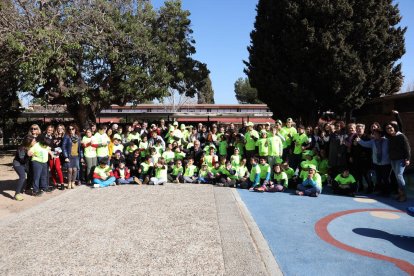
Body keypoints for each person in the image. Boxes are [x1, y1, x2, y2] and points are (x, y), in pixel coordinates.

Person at [356, 128, 391, 196]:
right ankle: (381, 191)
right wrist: (359, 140)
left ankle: (387, 192)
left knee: (386, 178)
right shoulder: (373, 141)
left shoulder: (387, 141)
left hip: (386, 163)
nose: (373, 135)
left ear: (380, 134)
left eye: (375, 134)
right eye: (373, 134)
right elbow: (365, 144)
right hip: (377, 163)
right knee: (379, 178)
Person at [385, 122, 411, 202]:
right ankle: (400, 193)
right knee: (397, 176)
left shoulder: (401, 136)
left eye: (390, 127)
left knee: (399, 175)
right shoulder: (390, 137)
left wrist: (408, 158)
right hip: (393, 159)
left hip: (401, 159)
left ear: (394, 127)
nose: (389, 129)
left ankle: (403, 195)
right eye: (387, 129)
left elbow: (407, 148)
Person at [13, 135, 35, 201]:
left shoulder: (30, 147)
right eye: (33, 141)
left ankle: (27, 189)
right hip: (18, 164)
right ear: (29, 142)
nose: (35, 141)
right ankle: (16, 194)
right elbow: (21, 160)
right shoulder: (21, 148)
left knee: (31, 174)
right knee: (22, 177)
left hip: (24, 164)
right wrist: (27, 155)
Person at [62, 124, 83, 189]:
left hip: (76, 156)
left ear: (75, 129)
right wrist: (66, 157)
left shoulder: (78, 137)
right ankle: (69, 182)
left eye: (72, 129)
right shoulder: (67, 137)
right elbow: (63, 147)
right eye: (70, 129)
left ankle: (73, 182)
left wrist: (81, 157)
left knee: (75, 170)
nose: (71, 130)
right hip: (69, 155)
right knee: (70, 170)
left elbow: (80, 148)